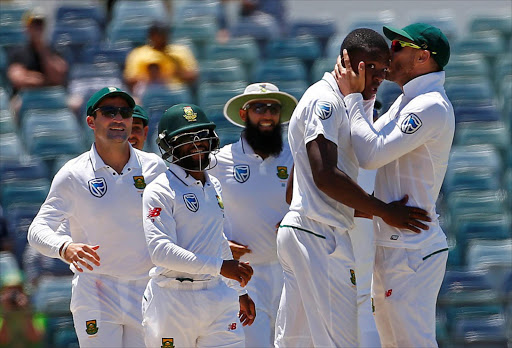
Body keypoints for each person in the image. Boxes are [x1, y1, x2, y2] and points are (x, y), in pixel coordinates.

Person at [274, 28, 432, 348]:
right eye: (376, 68)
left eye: (386, 69)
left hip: (303, 230)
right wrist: (385, 211)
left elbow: (294, 190)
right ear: (354, 63)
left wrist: (365, 98)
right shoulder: (327, 101)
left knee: (295, 343)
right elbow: (326, 176)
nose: (382, 77)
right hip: (322, 236)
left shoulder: (336, 100)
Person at [335, 23, 454, 347]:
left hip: (410, 249)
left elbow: (370, 154)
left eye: (399, 46)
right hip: (397, 245)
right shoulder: (409, 100)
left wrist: (354, 97)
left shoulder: (429, 105)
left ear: (423, 57)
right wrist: (365, 96)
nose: (391, 53)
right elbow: (367, 140)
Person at [27, 86, 168, 347]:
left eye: (124, 113)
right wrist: (64, 246)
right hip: (96, 290)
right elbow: (37, 229)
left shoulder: (154, 167)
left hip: (147, 287)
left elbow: (174, 221)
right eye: (109, 112)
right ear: (91, 121)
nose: (118, 119)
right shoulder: (73, 173)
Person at [141, 103, 255, 347]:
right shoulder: (159, 189)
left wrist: (239, 291)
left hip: (217, 296)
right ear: (169, 145)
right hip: (173, 298)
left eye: (202, 136)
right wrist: (220, 267)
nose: (197, 144)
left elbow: (217, 238)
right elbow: (160, 251)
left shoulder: (213, 184)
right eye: (186, 138)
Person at [208, 83, 297, 347]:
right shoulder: (220, 160)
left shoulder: (296, 157)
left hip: (290, 270)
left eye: (273, 108)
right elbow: (196, 208)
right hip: (244, 276)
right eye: (259, 108)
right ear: (244, 115)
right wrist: (219, 245)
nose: (267, 115)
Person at [6, 8, 68, 122]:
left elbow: (57, 76)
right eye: (34, 24)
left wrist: (42, 50)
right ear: (27, 28)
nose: (37, 28)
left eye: (40, 24)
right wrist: (45, 81)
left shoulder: (53, 50)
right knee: (15, 106)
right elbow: (18, 79)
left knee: (72, 104)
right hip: (26, 97)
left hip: (51, 96)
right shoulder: (18, 52)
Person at [124, 21, 198, 92]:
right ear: (151, 35)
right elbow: (129, 79)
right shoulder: (139, 53)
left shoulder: (180, 51)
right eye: (156, 34)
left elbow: (193, 76)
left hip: (174, 91)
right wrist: (151, 77)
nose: (160, 37)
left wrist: (176, 72)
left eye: (162, 34)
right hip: (148, 90)